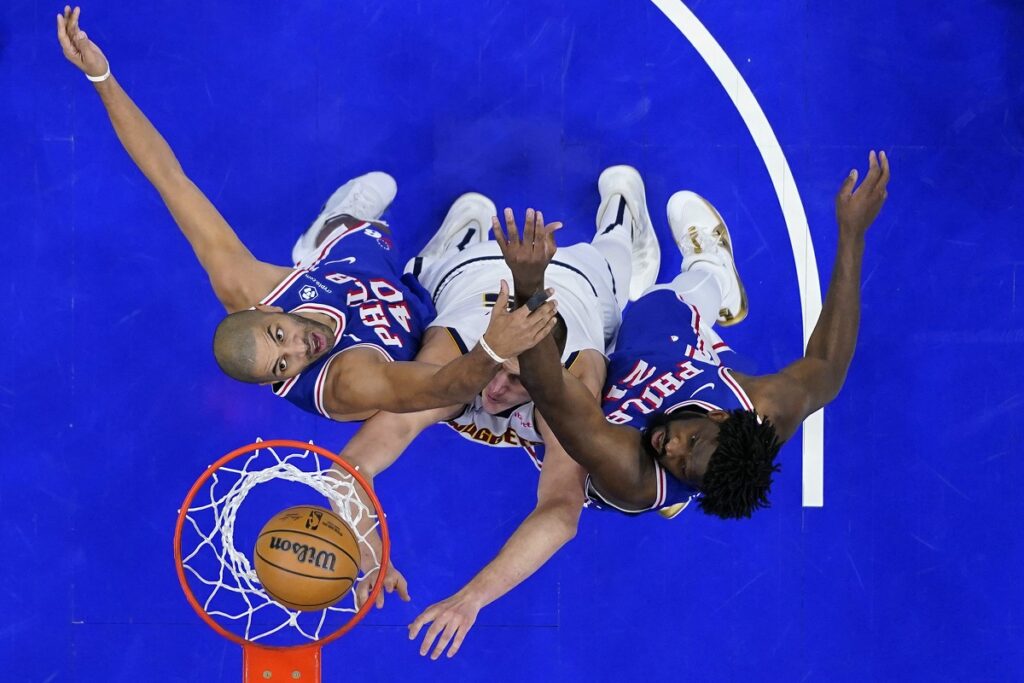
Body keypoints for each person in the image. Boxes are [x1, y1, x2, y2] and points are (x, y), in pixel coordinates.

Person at [55, 6, 558, 421]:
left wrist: (101, 76)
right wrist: (492, 349)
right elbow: (438, 389)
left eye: (281, 336)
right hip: (411, 333)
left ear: (265, 308)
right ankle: (438, 267)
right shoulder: (346, 382)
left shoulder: (243, 282)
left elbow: (169, 178)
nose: (300, 349)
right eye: (283, 365)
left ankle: (330, 231)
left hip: (350, 271)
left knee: (365, 234)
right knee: (449, 318)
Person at [332, 168, 660, 659]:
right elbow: (351, 469)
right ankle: (457, 236)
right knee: (417, 287)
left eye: (520, 380)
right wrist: (369, 552)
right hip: (467, 274)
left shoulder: (571, 397)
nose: (497, 389)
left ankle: (620, 215)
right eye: (498, 370)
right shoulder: (450, 371)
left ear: (548, 381)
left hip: (582, 281)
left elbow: (560, 512)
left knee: (618, 272)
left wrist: (472, 599)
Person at [497, 152, 890, 518]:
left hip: (591, 425)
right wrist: (853, 234)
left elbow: (554, 395)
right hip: (669, 361)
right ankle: (714, 271)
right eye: (692, 443)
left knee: (523, 376)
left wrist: (528, 285)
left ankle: (671, 496)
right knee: (655, 303)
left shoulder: (631, 473)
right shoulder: (768, 404)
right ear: (721, 415)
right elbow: (828, 366)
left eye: (681, 466)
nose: (670, 448)